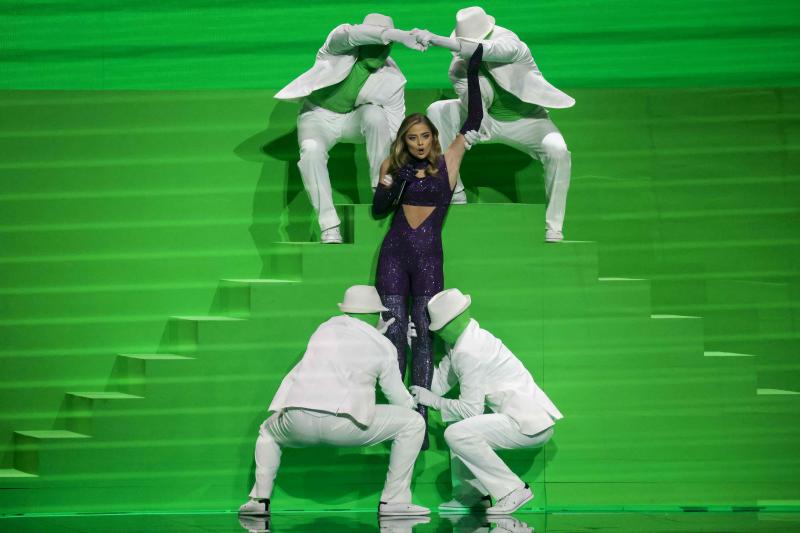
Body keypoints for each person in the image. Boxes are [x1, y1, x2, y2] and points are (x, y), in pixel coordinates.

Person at [372, 43, 484, 449]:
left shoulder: (449, 160)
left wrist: (473, 68)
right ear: (405, 140)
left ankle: (417, 424)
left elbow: (475, 117)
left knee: (424, 339)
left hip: (429, 262)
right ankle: (393, 419)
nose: (419, 143)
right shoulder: (392, 165)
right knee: (394, 337)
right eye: (412, 138)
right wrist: (393, 182)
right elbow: (378, 210)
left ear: (433, 137)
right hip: (394, 256)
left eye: (425, 136)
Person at [238, 285, 429, 517]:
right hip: (345, 424)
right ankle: (394, 502)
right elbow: (396, 396)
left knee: (267, 432)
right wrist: (413, 403)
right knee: (413, 422)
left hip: (297, 420)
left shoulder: (324, 329)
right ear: (376, 314)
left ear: (347, 310)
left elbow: (347, 346)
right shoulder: (383, 346)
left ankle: (259, 501)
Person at [414, 6, 575, 242]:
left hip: (529, 121)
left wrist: (436, 40)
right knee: (436, 111)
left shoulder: (511, 44)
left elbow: (486, 50)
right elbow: (475, 103)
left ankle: (554, 227)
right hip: (486, 120)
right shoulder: (458, 66)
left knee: (558, 152)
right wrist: (472, 128)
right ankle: (454, 191)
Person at [275, 13, 426, 243]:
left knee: (376, 115)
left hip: (350, 120)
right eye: (376, 42)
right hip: (317, 116)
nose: (381, 49)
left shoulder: (394, 80)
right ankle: (329, 227)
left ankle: (380, 192)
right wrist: (398, 35)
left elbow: (394, 133)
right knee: (311, 151)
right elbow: (353, 33)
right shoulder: (337, 46)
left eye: (387, 46)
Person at [410, 288, 564, 514]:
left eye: (438, 329)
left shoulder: (469, 351)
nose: (438, 334)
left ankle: (513, 490)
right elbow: (439, 386)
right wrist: (416, 347)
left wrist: (433, 402)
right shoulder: (463, 343)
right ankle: (472, 495)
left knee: (457, 432)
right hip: (524, 419)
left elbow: (471, 411)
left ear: (450, 324)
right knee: (459, 426)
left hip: (529, 424)